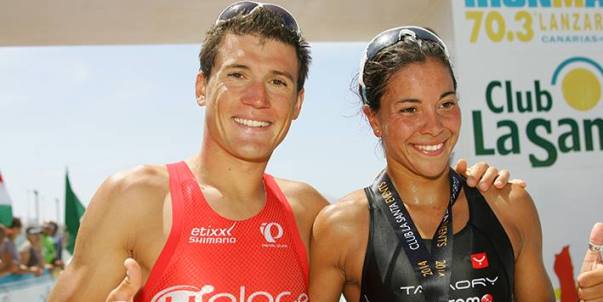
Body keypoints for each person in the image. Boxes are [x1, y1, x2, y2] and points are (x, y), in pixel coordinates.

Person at [49, 3, 512, 301]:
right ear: (201, 86)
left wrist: (468, 186)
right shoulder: (136, 199)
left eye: (278, 81)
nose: (258, 98)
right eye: (237, 75)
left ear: (297, 103)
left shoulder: (308, 211)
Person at [309, 26, 603, 302]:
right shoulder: (341, 227)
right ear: (373, 119)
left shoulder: (510, 205)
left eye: (446, 104)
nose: (434, 126)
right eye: (410, 109)